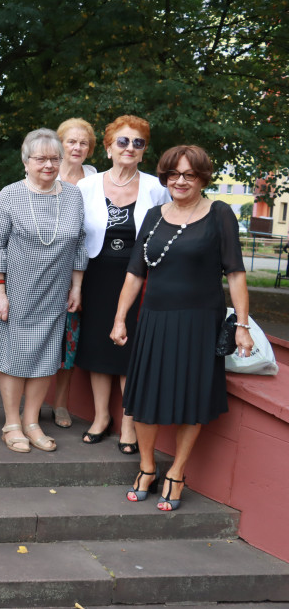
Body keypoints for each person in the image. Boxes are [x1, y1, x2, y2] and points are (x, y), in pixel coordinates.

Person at [112, 145, 251, 511]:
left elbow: (235, 273)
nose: (180, 181)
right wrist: (120, 317)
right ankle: (146, 467)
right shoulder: (154, 216)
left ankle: (177, 471)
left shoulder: (219, 214)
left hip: (199, 322)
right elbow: (134, 272)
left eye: (189, 174)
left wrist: (243, 325)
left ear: (203, 177)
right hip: (154, 319)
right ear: (165, 177)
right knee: (143, 398)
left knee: (190, 399)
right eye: (173, 174)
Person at [0, 128, 87, 454]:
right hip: (17, 289)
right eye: (40, 158)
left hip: (56, 292)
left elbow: (80, 243)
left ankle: (32, 422)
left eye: (55, 158)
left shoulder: (72, 196)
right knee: (15, 357)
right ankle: (11, 423)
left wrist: (77, 286)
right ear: (26, 161)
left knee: (45, 358)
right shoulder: (11, 196)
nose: (48, 165)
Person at [76, 115, 169, 452]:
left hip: (140, 279)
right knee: (98, 346)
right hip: (96, 274)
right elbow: (75, 237)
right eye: (123, 141)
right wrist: (75, 285)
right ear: (108, 147)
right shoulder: (86, 187)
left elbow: (166, 233)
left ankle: (128, 423)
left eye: (138, 143)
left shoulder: (157, 188)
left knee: (131, 349)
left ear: (144, 152)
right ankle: (102, 417)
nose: (130, 148)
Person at [50, 117, 98, 429]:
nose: (77, 147)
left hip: (79, 267)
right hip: (42, 267)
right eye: (71, 141)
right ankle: (28, 401)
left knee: (69, 337)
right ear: (60, 144)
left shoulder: (95, 179)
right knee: (36, 334)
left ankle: (60, 403)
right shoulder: (45, 171)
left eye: (83, 142)